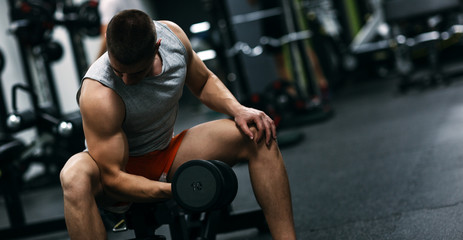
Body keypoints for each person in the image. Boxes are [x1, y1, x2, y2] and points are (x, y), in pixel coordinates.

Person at [60, 9, 296, 240]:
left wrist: (239, 110)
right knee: (73, 176)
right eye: (118, 70)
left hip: (165, 154)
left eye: (136, 72)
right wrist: (178, 190)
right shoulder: (99, 92)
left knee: (258, 134)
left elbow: (203, 83)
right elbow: (112, 178)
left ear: (157, 46)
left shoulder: (174, 38)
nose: (126, 81)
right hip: (112, 172)